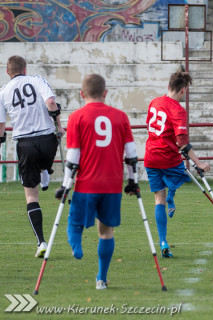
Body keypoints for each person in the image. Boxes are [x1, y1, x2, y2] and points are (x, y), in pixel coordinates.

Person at [54, 74, 138, 290]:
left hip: (86, 185)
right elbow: (131, 152)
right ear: (105, 93)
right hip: (112, 186)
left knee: (75, 223)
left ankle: (77, 247)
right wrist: (133, 181)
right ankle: (101, 278)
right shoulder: (120, 117)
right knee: (106, 232)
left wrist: (66, 184)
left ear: (82, 95)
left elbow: (73, 155)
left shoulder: (77, 117)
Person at [0, 55, 64, 258]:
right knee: (44, 163)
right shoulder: (37, 80)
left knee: (31, 196)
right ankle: (45, 169)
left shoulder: (3, 92)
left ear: (8, 72)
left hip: (25, 143)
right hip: (47, 140)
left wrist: (1, 138)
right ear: (25, 69)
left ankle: (41, 242)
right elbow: (51, 103)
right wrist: (59, 126)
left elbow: (1, 129)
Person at [144, 70, 210, 259]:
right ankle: (172, 197)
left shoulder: (154, 102)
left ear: (168, 87)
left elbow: (150, 125)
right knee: (182, 176)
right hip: (167, 157)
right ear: (183, 91)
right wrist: (199, 163)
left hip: (150, 156)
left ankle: (163, 241)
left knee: (159, 198)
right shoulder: (178, 110)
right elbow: (182, 141)